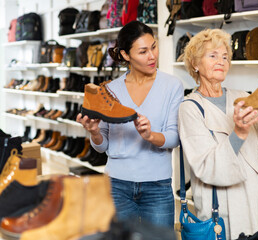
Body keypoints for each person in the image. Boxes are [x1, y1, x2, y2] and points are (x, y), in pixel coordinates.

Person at [178, 28, 258, 239]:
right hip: (225, 212)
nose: (221, 61)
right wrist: (239, 132)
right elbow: (205, 165)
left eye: (225, 57)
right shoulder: (190, 108)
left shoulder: (243, 97)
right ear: (195, 63)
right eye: (212, 56)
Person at [76, 21, 184, 228]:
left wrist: (150, 135)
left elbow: (174, 137)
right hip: (116, 184)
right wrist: (95, 132)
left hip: (157, 186)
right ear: (126, 55)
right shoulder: (110, 90)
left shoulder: (172, 85)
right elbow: (103, 146)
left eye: (153, 47)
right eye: (143, 51)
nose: (152, 56)